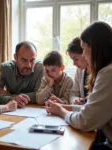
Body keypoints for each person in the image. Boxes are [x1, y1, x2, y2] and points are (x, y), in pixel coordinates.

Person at [45, 22, 112, 150]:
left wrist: (61, 111)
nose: (84, 56)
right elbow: (91, 111)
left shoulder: (107, 73)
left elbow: (84, 121)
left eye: (84, 48)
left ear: (93, 47)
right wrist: (65, 107)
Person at [0, 41, 44, 108]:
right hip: (12, 110)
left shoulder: (40, 68)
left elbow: (38, 96)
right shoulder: (5, 68)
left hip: (35, 109)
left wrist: (11, 96)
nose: (29, 65)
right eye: (24, 60)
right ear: (15, 57)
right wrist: (13, 98)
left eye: (32, 60)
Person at [67, 37, 90, 105]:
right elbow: (73, 93)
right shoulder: (79, 70)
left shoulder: (102, 72)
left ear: (85, 54)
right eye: (72, 60)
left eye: (76, 59)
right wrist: (75, 100)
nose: (74, 64)